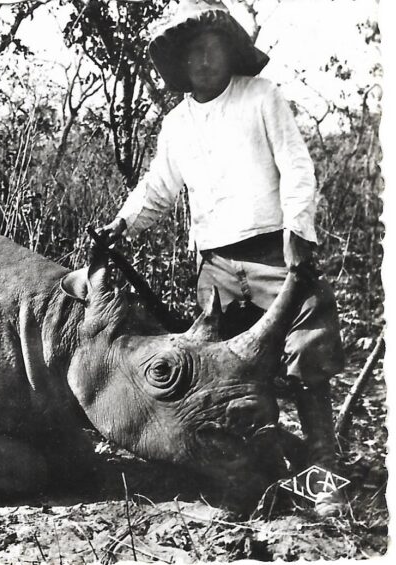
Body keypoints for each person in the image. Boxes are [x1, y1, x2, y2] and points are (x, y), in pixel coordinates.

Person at [97, 0, 346, 515]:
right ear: (180, 65)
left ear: (229, 52)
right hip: (215, 266)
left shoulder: (261, 97)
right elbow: (157, 190)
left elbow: (297, 167)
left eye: (210, 50)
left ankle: (323, 469)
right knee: (229, 371)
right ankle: (265, 469)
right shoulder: (178, 124)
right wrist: (120, 226)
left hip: (273, 251)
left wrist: (299, 232)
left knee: (306, 351)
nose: (202, 62)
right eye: (192, 55)